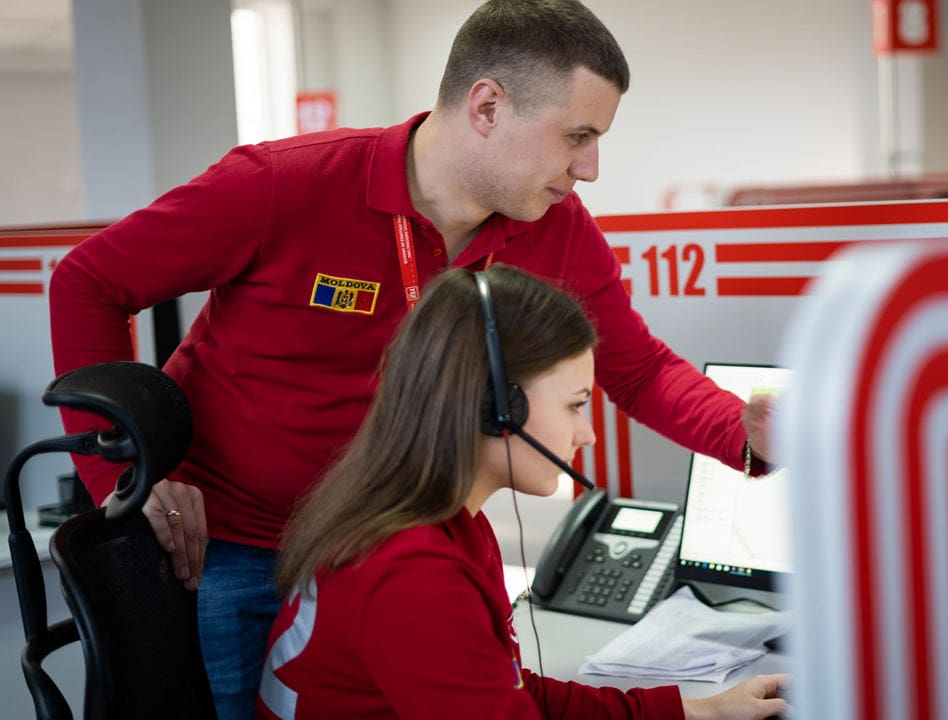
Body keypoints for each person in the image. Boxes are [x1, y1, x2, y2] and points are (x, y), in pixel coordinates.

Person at [48, 0, 773, 716]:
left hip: (388, 544)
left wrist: (747, 431)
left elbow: (638, 369)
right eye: (576, 136)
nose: (590, 167)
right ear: (487, 107)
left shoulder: (555, 227)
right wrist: (124, 476)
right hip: (237, 549)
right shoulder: (284, 184)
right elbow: (87, 283)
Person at [257, 265, 787, 719]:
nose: (587, 434)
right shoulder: (414, 571)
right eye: (575, 404)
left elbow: (511, 693)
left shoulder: (444, 524)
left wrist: (692, 710)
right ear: (497, 407)